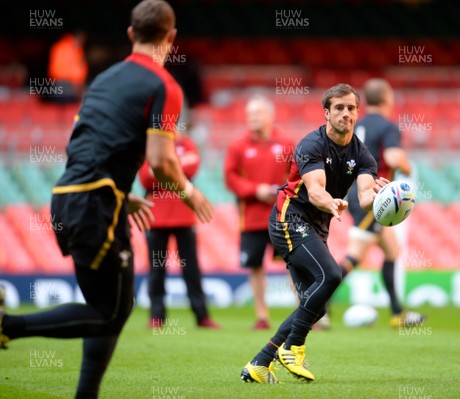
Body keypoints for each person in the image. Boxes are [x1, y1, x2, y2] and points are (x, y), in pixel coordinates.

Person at [0, 1, 213, 398]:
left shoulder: (102, 80)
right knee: (108, 313)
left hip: (73, 196)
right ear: (171, 37)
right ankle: (6, 326)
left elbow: (85, 143)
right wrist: (190, 191)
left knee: (110, 306)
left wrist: (120, 192)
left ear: (131, 35)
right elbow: (161, 160)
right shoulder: (164, 86)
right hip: (94, 204)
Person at [240, 83, 388, 384]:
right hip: (288, 218)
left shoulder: (363, 155)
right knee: (331, 276)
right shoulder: (311, 144)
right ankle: (293, 346)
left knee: (314, 304)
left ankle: (259, 362)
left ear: (358, 112)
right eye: (339, 108)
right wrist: (330, 202)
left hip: (315, 227)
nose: (346, 114)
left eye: (351, 108)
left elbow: (363, 197)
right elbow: (316, 190)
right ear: (326, 113)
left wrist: (384, 197)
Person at [338, 78, 427, 329]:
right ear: (388, 98)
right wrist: (408, 167)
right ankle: (314, 305)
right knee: (354, 256)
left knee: (392, 251)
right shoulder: (388, 127)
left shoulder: (355, 125)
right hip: (374, 196)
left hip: (354, 191)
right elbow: (393, 156)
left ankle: (397, 313)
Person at [224, 95, 294, 330]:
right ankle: (262, 316)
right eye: (249, 114)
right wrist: (257, 190)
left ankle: (303, 313)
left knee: (293, 263)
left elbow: (297, 175)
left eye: (257, 113)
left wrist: (280, 192)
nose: (252, 118)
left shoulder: (285, 143)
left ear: (269, 116)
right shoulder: (238, 145)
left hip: (282, 216)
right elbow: (230, 178)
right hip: (251, 219)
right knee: (255, 266)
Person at [138, 131, 220, 329]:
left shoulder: (186, 142)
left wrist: (162, 168)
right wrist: (175, 168)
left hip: (184, 215)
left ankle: (202, 316)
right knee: (156, 269)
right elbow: (144, 178)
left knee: (191, 268)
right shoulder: (151, 143)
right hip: (156, 218)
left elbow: (191, 168)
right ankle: (156, 316)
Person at [48, 30, 88, 104]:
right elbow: (60, 70)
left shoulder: (72, 48)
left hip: (66, 85)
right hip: (64, 85)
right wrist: (76, 83)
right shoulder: (69, 48)